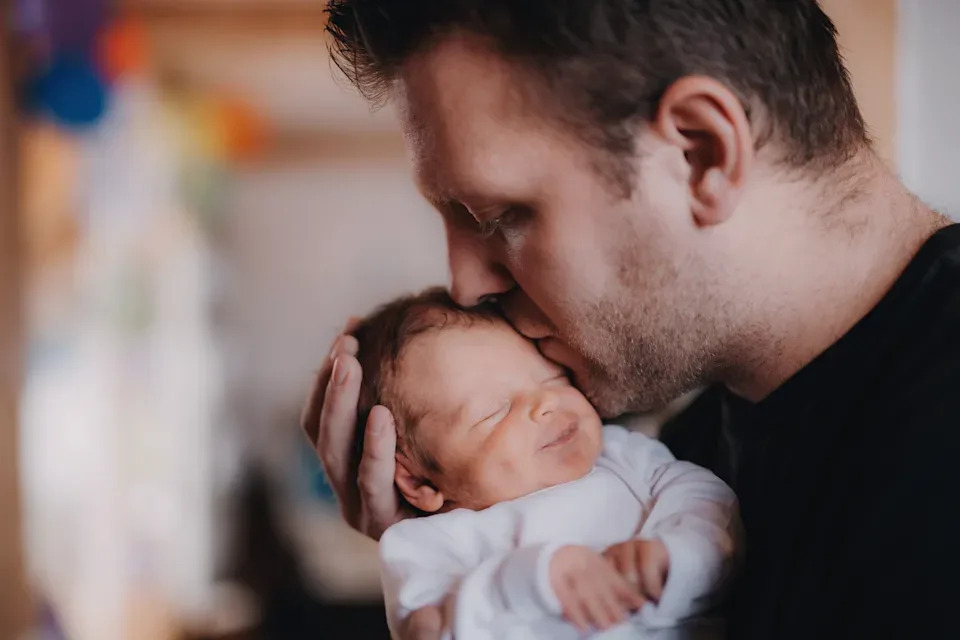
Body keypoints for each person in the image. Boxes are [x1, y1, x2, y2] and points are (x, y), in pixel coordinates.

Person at [301, 1, 960, 638]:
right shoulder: (684, 458)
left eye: (503, 216)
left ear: (700, 153)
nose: (466, 287)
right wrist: (465, 558)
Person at [350, 288, 739, 639]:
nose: (545, 403)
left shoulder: (628, 457)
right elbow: (427, 629)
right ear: (421, 482)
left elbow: (710, 506)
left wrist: (674, 556)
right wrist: (529, 578)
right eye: (494, 412)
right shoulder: (429, 543)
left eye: (553, 378)